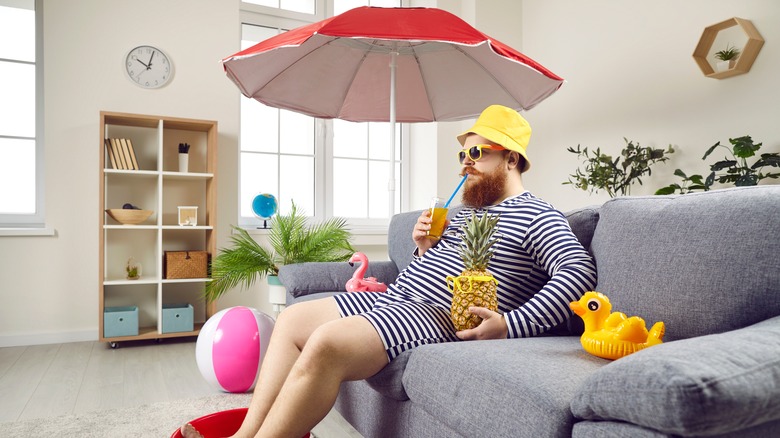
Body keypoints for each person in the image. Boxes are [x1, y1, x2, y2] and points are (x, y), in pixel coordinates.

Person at [181, 104, 597, 438]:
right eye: (461, 154)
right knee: (290, 319)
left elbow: (577, 273)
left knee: (326, 343)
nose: (464, 164)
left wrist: (509, 324)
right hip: (396, 299)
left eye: (475, 153)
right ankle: (246, 432)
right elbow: (430, 270)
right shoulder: (461, 215)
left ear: (510, 159)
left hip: (436, 315)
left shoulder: (536, 214)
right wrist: (423, 249)